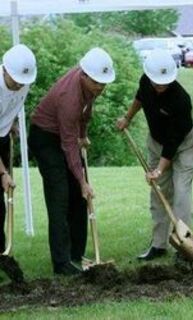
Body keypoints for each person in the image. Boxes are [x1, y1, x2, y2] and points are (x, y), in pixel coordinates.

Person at [28, 48, 115, 275]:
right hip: (45, 137)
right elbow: (68, 144)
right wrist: (82, 180)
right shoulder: (69, 98)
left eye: (104, 83)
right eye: (97, 83)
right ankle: (62, 262)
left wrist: (83, 132)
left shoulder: (90, 84)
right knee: (60, 196)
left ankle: (76, 253)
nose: (101, 88)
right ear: (84, 76)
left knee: (79, 196)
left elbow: (86, 113)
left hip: (66, 134)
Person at [117, 49, 193, 261]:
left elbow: (173, 142)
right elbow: (139, 98)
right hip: (156, 143)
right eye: (157, 82)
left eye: (165, 82)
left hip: (183, 145)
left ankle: (185, 244)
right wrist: (127, 118)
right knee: (159, 192)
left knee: (181, 193)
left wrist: (159, 169)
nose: (161, 86)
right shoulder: (146, 81)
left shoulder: (181, 99)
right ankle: (158, 245)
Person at [0, 44, 37, 254]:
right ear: (5, 69)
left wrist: (10, 123)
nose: (20, 86)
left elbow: (13, 105)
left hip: (2, 137)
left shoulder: (23, 82)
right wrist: (3, 172)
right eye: (16, 81)